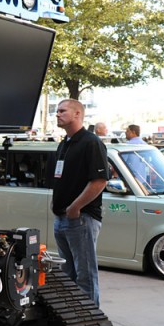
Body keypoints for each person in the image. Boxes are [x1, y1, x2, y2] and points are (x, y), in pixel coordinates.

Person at [51, 99, 109, 305]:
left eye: (62, 111)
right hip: (62, 217)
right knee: (67, 275)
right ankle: (73, 323)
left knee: (85, 275)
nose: (57, 114)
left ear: (77, 114)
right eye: (56, 111)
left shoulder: (91, 142)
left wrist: (75, 207)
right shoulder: (64, 143)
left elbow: (100, 180)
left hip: (80, 218)